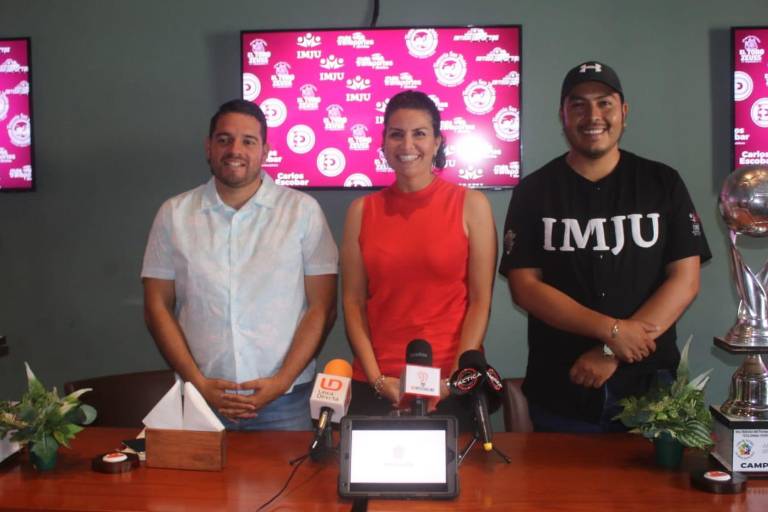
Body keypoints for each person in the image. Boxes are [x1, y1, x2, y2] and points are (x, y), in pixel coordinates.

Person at [499, 61, 711, 432]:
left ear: (624, 112)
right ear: (562, 116)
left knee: (658, 492)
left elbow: (685, 280)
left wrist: (610, 350)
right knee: (562, 491)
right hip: (563, 387)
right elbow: (526, 288)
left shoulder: (662, 182)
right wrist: (612, 331)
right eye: (578, 104)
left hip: (652, 393)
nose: (592, 115)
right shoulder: (534, 190)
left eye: (604, 103)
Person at [141, 99, 338, 431]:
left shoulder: (303, 212)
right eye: (224, 139)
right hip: (201, 399)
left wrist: (280, 381)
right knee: (192, 487)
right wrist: (199, 383)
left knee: (288, 485)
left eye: (248, 141)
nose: (235, 149)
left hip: (284, 401)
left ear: (264, 151)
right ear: (208, 147)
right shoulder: (174, 214)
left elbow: (323, 307)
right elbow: (157, 305)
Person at [341, 91, 497, 429]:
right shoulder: (361, 211)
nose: (407, 144)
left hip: (452, 383)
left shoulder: (471, 205)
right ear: (383, 142)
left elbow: (480, 300)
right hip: (377, 384)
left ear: (438, 141)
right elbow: (352, 303)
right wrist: (379, 379)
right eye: (396, 134)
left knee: (461, 483)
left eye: (419, 133)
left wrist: (455, 380)